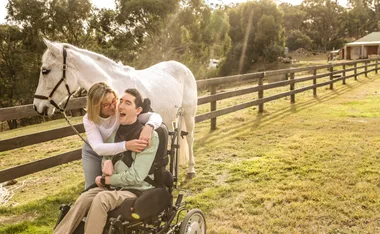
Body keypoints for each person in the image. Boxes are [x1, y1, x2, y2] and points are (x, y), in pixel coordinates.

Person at [53, 88, 159, 234]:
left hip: (136, 189)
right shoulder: (115, 133)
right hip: (115, 187)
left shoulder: (148, 137)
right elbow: (105, 154)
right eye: (121, 101)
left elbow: (136, 177)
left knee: (102, 198)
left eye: (127, 103)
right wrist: (106, 163)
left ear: (138, 110)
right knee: (85, 197)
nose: (120, 106)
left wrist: (107, 181)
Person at [82, 82, 162, 189]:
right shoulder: (89, 118)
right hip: (94, 150)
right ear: (96, 106)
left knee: (108, 185)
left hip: (116, 147)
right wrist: (126, 146)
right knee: (91, 187)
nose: (113, 106)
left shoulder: (120, 108)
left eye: (114, 100)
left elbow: (155, 117)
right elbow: (98, 148)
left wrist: (149, 127)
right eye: (106, 105)